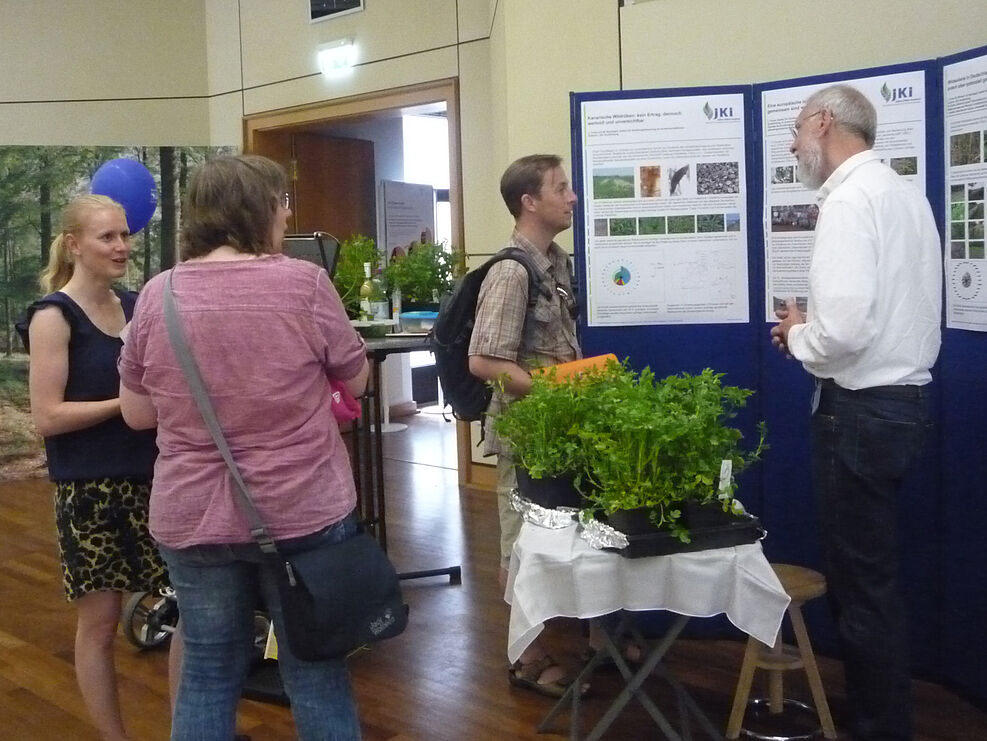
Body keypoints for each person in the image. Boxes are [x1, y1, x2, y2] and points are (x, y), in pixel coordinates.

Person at [118, 154, 370, 741]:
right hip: (303, 510)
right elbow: (356, 381)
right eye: (281, 202)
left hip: (193, 516)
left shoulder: (158, 296)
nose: (287, 214)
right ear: (258, 209)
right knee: (314, 667)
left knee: (207, 667)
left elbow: (136, 413)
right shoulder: (304, 283)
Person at [771, 84, 942, 741]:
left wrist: (798, 336)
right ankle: (882, 717)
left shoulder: (846, 201)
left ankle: (878, 727)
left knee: (860, 587)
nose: (791, 145)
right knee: (872, 580)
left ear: (823, 120)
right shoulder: (902, 194)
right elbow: (886, 311)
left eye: (794, 129)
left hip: (859, 412)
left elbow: (841, 332)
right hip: (905, 404)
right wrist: (819, 328)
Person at [18, 194, 170, 741]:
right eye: (108, 237)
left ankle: (191, 728)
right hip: (89, 490)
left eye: (125, 235)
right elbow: (48, 416)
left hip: (156, 480)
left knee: (183, 614)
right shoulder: (53, 317)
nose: (122, 247)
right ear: (74, 244)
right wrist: (126, 405)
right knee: (100, 623)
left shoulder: (138, 305)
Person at [468, 154, 583, 697]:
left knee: (568, 534)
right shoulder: (511, 272)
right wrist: (555, 391)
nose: (573, 196)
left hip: (561, 431)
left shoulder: (556, 263)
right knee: (519, 543)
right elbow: (484, 361)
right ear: (528, 202)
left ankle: (592, 638)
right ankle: (527, 656)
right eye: (561, 188)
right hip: (527, 432)